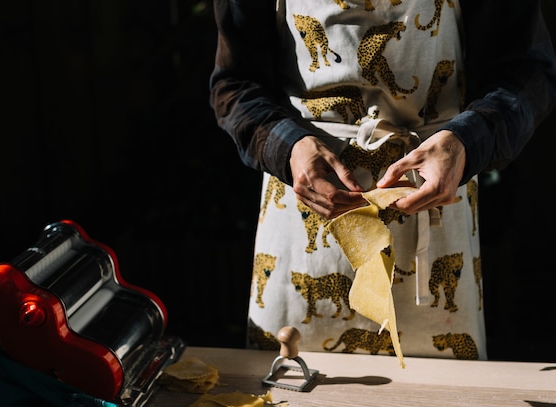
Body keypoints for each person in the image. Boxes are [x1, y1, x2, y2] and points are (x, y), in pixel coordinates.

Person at [209, 0, 556, 360]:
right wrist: (289, 147)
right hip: (305, 215)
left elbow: (529, 72)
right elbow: (234, 83)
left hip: (434, 216)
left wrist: (467, 141)